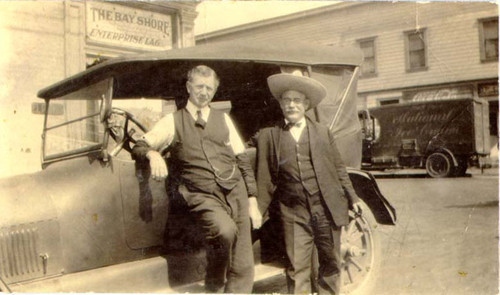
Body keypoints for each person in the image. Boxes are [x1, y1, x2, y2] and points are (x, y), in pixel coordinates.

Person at [132, 65, 262, 293]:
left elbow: (241, 159)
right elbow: (140, 144)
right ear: (189, 87)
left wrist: (252, 200)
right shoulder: (172, 121)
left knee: (243, 262)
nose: (204, 92)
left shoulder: (223, 119)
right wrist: (152, 154)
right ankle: (213, 288)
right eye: (199, 86)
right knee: (224, 231)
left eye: (209, 88)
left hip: (235, 191)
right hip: (200, 194)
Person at [256, 71, 362, 294]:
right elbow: (259, 173)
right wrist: (255, 209)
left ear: (306, 104)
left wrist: (353, 197)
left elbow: (339, 168)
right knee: (297, 267)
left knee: (330, 262)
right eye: (287, 100)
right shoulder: (269, 135)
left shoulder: (323, 133)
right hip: (293, 212)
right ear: (281, 104)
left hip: (325, 208)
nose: (291, 105)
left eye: (296, 100)